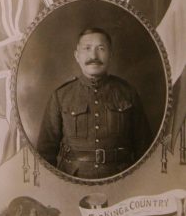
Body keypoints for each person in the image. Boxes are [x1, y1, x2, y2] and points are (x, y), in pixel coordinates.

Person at [37, 28, 152, 179]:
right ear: (77, 56)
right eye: (87, 48)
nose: (94, 56)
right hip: (72, 178)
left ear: (111, 54)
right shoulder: (61, 96)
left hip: (121, 178)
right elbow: (45, 152)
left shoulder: (128, 93)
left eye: (101, 48)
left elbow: (145, 147)